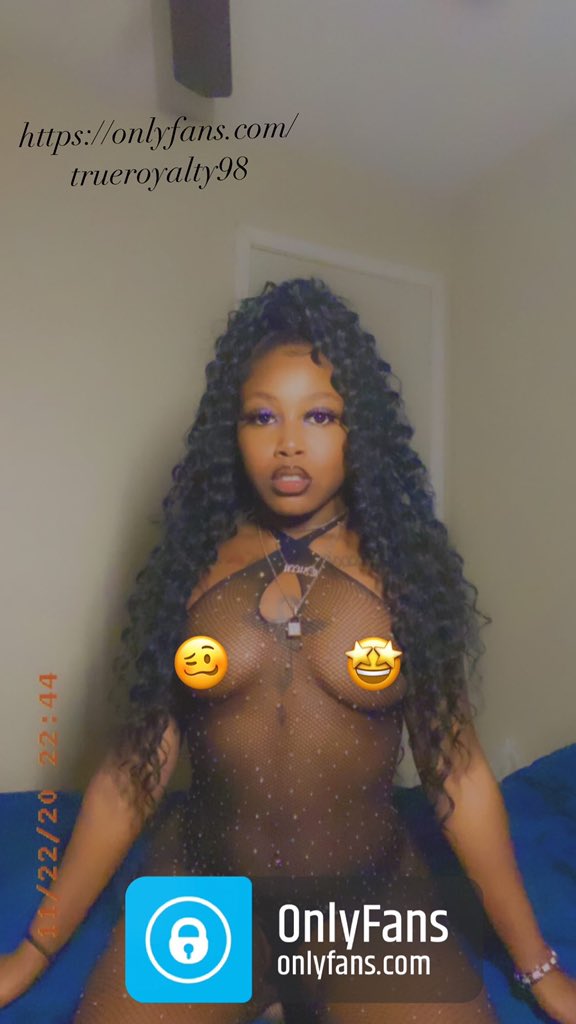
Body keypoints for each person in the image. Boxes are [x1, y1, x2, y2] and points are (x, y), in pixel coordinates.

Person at [1, 278, 575, 1023]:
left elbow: (458, 775)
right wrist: (32, 952)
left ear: (359, 430)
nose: (289, 442)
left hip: (366, 904)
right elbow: (130, 775)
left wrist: (540, 970)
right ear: (232, 431)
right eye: (263, 415)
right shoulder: (192, 566)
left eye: (321, 415)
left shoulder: (402, 572)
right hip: (205, 896)